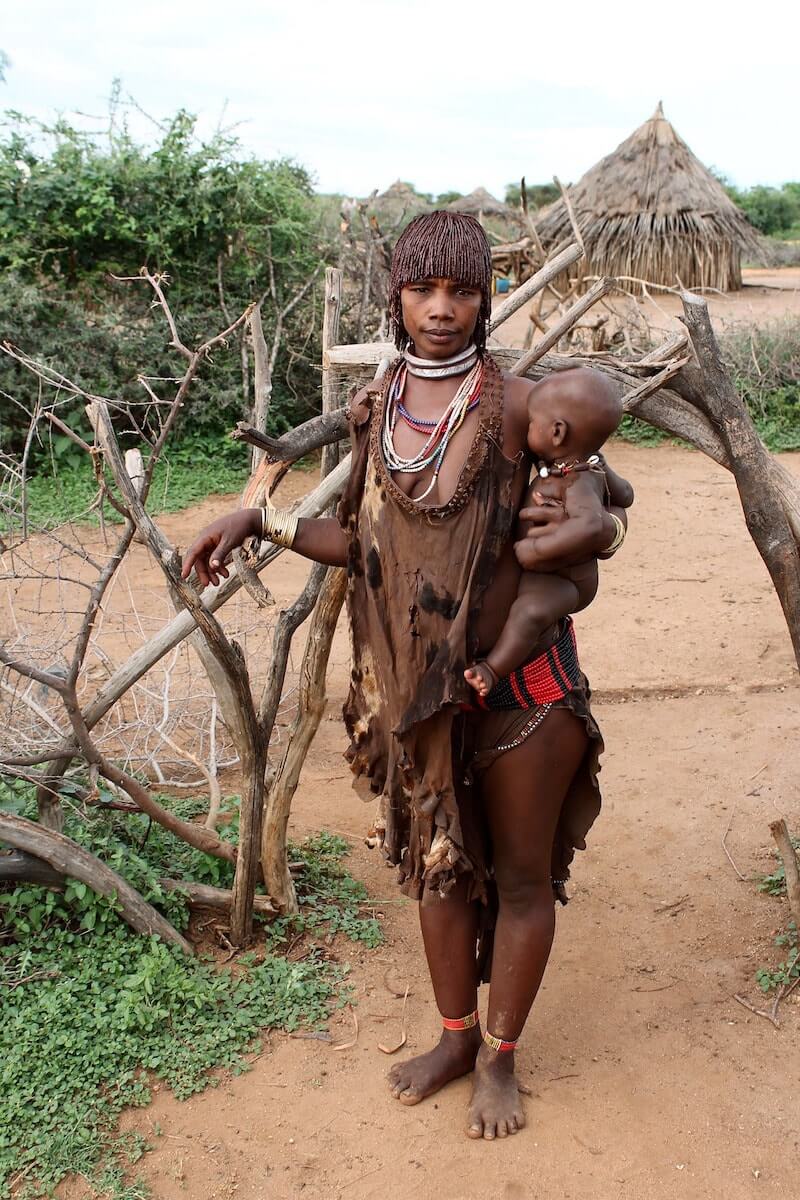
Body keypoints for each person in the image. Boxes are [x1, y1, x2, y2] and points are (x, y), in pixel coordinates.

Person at [182, 211, 630, 1141]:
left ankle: (502, 1058)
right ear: (395, 297)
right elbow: (366, 545)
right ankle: (457, 1038)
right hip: (417, 695)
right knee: (437, 871)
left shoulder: (520, 404)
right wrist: (256, 524)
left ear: (486, 298)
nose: (441, 309)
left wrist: (595, 524)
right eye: (423, 290)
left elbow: (592, 496)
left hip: (524, 691)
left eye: (462, 290)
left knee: (515, 878)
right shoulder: (380, 406)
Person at [464, 370, 633, 698]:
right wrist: (603, 465)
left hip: (564, 579)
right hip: (547, 573)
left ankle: (493, 669)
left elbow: (591, 525)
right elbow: (625, 494)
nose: (528, 428)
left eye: (531, 424)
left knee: (529, 613)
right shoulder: (579, 466)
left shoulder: (579, 480)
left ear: (557, 432)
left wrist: (537, 550)